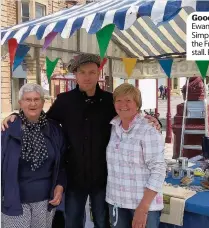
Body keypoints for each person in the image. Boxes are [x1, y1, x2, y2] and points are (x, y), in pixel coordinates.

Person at [2, 54, 161, 228]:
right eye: (83, 72)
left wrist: (153, 119)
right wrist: (17, 116)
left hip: (104, 178)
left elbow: (130, 111)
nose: (87, 77)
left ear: (98, 74)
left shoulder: (110, 100)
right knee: (73, 222)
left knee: (102, 221)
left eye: (92, 72)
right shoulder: (64, 100)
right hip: (74, 177)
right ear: (76, 75)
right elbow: (41, 120)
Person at [1, 83, 66, 227]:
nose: (33, 103)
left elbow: (62, 163)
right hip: (15, 200)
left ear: (43, 102)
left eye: (37, 99)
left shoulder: (54, 130)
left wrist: (60, 186)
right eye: (28, 99)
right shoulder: (8, 129)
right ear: (20, 103)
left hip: (45, 200)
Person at [106, 83, 166, 228]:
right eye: (118, 100)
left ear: (137, 104)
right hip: (116, 201)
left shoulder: (148, 129)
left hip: (142, 204)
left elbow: (158, 170)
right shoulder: (114, 127)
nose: (123, 105)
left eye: (128, 100)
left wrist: (143, 208)